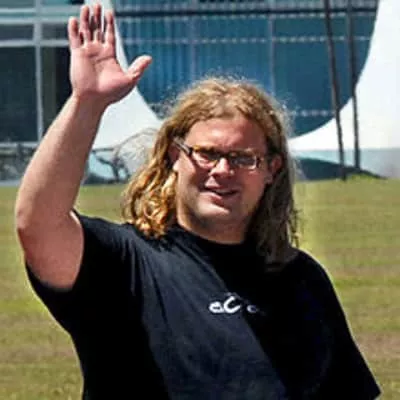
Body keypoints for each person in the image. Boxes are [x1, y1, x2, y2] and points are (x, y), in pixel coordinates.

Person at [15, 4, 380, 399]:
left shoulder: (301, 279)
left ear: (271, 169)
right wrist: (87, 103)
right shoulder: (125, 263)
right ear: (175, 157)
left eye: (243, 158)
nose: (222, 170)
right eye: (206, 154)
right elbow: (38, 223)